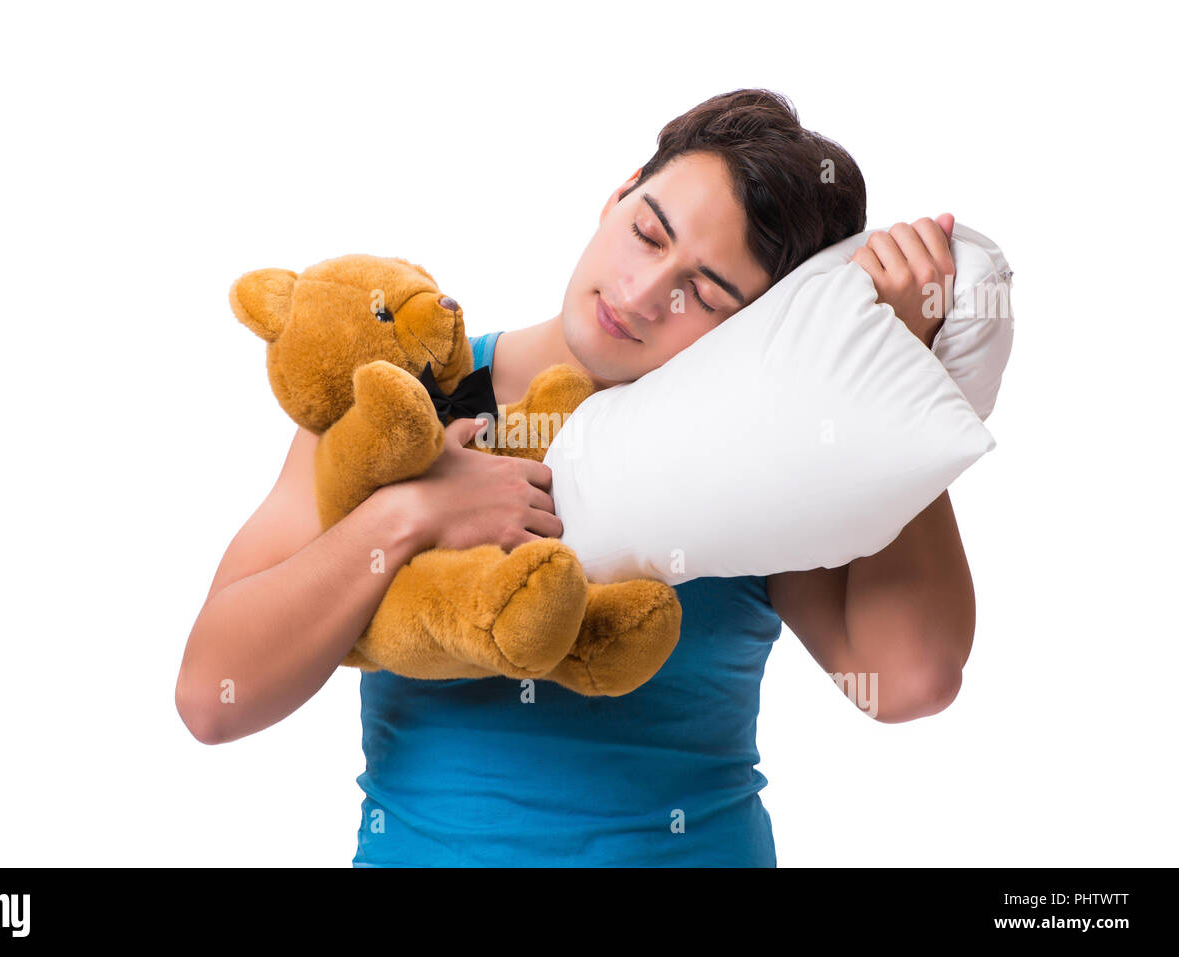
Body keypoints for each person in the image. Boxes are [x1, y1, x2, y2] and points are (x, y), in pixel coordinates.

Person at [174, 89, 976, 866]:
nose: (641, 292)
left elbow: (908, 678)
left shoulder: (758, 467)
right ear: (618, 194)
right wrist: (410, 514)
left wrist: (888, 378)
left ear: (753, 332)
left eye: (702, 292)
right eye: (649, 233)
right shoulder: (402, 396)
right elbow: (216, 695)